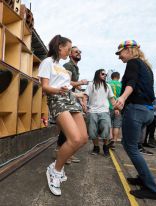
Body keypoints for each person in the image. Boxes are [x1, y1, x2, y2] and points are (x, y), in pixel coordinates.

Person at [38, 35, 88, 196]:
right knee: (73, 138)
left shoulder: (62, 66)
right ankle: (55, 170)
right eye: (68, 48)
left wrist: (78, 96)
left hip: (70, 100)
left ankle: (57, 166)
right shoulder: (48, 62)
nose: (69, 51)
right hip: (57, 100)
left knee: (83, 138)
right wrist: (60, 91)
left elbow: (67, 87)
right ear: (60, 46)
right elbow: (45, 87)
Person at [114, 40, 156, 200]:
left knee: (131, 147)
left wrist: (122, 98)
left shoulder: (133, 62)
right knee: (131, 146)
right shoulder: (146, 66)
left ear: (129, 50)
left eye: (120, 52)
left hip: (136, 109)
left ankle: (153, 189)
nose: (119, 57)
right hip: (146, 111)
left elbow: (131, 82)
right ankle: (142, 178)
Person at [55, 46, 88, 164]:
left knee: (71, 129)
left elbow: (72, 84)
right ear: (70, 54)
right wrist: (80, 82)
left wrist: (79, 89)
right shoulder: (68, 66)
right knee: (67, 128)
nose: (79, 53)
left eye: (80, 51)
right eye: (76, 52)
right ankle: (61, 152)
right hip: (65, 98)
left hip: (71, 97)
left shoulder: (75, 67)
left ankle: (67, 152)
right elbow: (66, 82)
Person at [83, 69, 116, 157]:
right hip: (92, 111)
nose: (105, 75)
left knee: (106, 130)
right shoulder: (91, 84)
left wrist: (116, 108)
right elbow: (85, 96)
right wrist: (84, 105)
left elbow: (112, 98)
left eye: (105, 74)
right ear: (98, 74)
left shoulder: (108, 86)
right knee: (93, 132)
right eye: (103, 74)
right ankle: (96, 147)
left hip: (104, 111)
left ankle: (105, 147)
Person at [108, 72, 122, 149]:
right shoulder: (121, 84)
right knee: (116, 125)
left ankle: (110, 139)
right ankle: (114, 142)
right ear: (118, 77)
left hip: (109, 106)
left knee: (109, 124)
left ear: (112, 77)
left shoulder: (108, 83)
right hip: (119, 106)